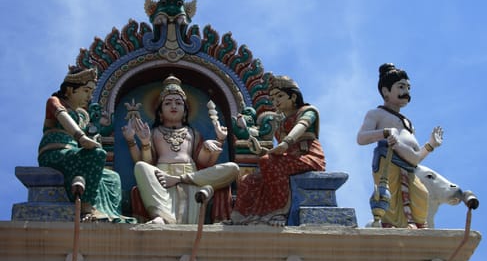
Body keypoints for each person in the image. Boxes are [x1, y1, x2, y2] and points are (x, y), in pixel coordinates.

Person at [122, 75, 239, 224]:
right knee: (140, 167)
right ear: (159, 111)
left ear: (185, 111)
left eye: (178, 103)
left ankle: (178, 181)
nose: (173, 106)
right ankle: (162, 217)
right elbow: (147, 162)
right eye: (168, 103)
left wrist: (215, 143)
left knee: (233, 168)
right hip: (161, 176)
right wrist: (141, 142)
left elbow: (204, 163)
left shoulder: (193, 133)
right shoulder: (155, 132)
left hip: (192, 176)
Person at [38, 66, 132, 222]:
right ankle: (86, 209)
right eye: (86, 91)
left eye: (91, 92)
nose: (89, 96)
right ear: (70, 90)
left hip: (73, 154)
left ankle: (111, 215)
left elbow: (90, 138)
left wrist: (93, 138)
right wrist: (81, 137)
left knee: (113, 177)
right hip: (55, 153)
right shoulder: (54, 102)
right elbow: (63, 118)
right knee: (97, 154)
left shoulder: (83, 115)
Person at [230, 75, 326, 226]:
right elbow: (277, 154)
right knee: (248, 180)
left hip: (308, 157)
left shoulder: (308, 111)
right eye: (273, 99)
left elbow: (301, 126)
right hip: (288, 159)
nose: (276, 102)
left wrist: (287, 142)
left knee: (267, 161)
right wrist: (260, 150)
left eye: (280, 96)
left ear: (293, 96)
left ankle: (279, 213)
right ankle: (244, 218)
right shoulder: (280, 123)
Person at [357, 63, 443, 228]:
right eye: (401, 87)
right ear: (385, 91)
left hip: (409, 169)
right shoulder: (376, 114)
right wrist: (385, 133)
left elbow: (415, 158)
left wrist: (430, 145)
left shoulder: (408, 124)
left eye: (408, 88)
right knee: (391, 204)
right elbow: (361, 138)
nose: (406, 92)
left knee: (421, 196)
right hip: (388, 163)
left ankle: (414, 232)